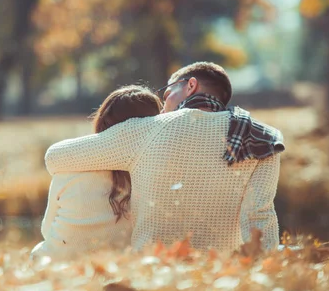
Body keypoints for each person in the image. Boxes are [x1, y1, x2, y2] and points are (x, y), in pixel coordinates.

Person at [45, 62, 285, 252]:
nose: (162, 105)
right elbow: (260, 219)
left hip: (153, 272)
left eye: (167, 92)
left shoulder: (148, 129)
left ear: (190, 86)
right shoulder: (262, 139)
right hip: (215, 275)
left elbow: (55, 157)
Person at [32, 85, 162, 259]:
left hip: (55, 261)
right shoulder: (153, 177)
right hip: (118, 265)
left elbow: (47, 229)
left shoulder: (69, 167)